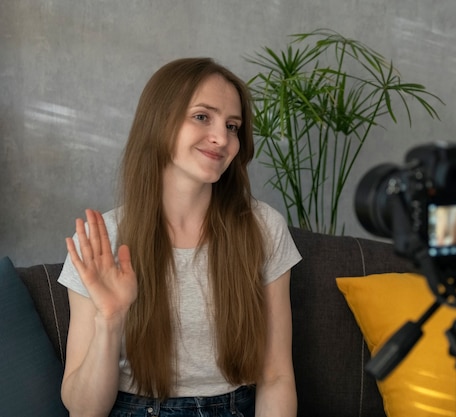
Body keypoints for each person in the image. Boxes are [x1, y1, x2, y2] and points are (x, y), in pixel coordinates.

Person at [58, 58, 302, 417]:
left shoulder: (264, 227)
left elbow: (276, 376)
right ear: (159, 121)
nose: (222, 138)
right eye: (203, 117)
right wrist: (110, 320)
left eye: (232, 126)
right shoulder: (101, 243)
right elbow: (83, 410)